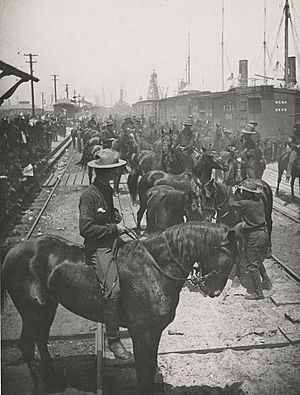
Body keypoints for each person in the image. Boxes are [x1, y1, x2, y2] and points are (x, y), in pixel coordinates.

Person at [79, 149, 133, 361]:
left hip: (112, 241)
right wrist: (113, 229)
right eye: (113, 170)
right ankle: (114, 340)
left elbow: (108, 216)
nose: (115, 174)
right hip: (98, 247)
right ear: (104, 172)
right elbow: (85, 229)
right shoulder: (89, 196)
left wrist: (115, 216)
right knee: (113, 288)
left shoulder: (107, 190)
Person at [229, 179, 272, 300]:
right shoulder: (259, 201)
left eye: (244, 191)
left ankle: (258, 293)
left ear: (248, 193)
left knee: (251, 264)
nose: (242, 193)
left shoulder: (245, 203)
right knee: (257, 259)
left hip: (254, 236)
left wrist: (233, 192)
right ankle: (267, 281)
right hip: (264, 233)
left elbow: (230, 204)